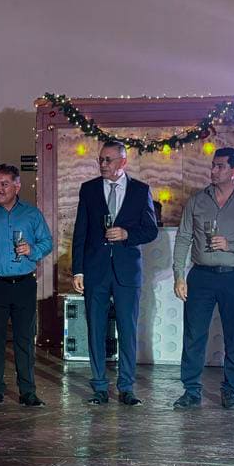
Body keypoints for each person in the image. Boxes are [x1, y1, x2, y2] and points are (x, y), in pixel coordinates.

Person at [172, 146, 234, 410]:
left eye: (220, 166)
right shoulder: (197, 200)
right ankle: (191, 391)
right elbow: (183, 238)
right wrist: (179, 275)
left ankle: (231, 391)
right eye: (213, 165)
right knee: (194, 335)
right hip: (200, 276)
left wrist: (232, 245)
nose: (213, 171)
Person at [71, 139, 158, 406]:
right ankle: (99, 387)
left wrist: (127, 234)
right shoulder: (89, 189)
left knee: (127, 330)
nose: (103, 164)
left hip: (127, 271)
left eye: (108, 160)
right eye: (100, 159)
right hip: (95, 270)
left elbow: (151, 230)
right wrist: (78, 270)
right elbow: (80, 231)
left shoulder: (140, 190)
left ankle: (126, 387)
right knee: (95, 329)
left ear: (123, 162)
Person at [0, 163, 53, 408]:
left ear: (17, 186)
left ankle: (28, 392)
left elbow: (47, 242)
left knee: (24, 340)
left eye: (4, 184)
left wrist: (32, 250)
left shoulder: (32, 214)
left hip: (24, 285)